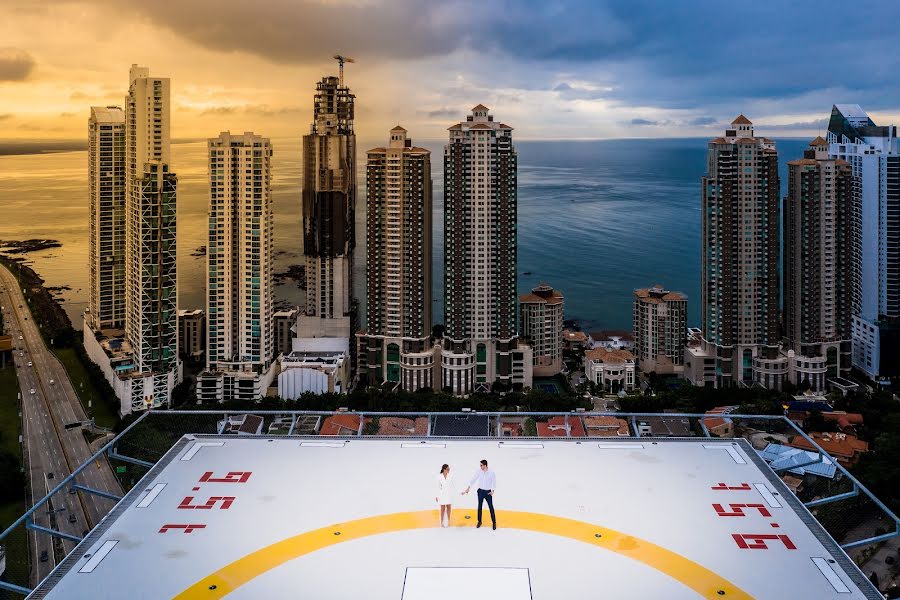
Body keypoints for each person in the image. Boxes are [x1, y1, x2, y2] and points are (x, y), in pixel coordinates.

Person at [462, 459, 497, 530]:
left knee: (491, 507)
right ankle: (479, 521)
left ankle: (494, 522)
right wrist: (468, 488)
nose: (480, 466)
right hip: (480, 491)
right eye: (480, 465)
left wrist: (493, 490)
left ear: (485, 465)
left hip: (488, 492)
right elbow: (473, 479)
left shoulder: (491, 472)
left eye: (481, 465)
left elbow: (494, 482)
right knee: (479, 507)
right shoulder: (479, 471)